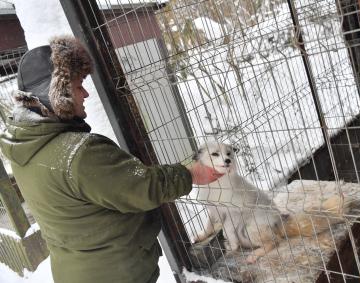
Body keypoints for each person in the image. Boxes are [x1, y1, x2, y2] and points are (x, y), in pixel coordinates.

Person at [0, 36, 219, 283]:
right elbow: (142, 187)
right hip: (115, 273)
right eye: (78, 85)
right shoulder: (79, 153)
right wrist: (191, 174)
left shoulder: (24, 150)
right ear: (56, 94)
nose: (86, 93)